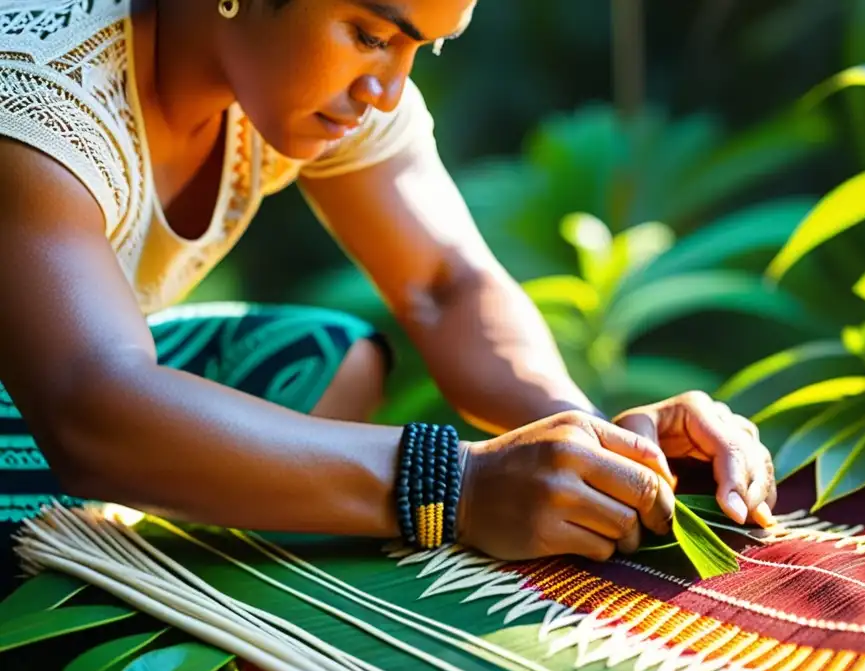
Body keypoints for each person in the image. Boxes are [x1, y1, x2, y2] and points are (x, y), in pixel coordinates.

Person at [0, 0, 776, 594]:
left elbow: (446, 285)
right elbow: (88, 406)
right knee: (52, 552)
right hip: (63, 399)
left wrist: (608, 449)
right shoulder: (36, 89)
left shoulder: (308, 81)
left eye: (421, 47)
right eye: (372, 35)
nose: (386, 90)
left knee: (330, 363)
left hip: (74, 376)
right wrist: (453, 484)